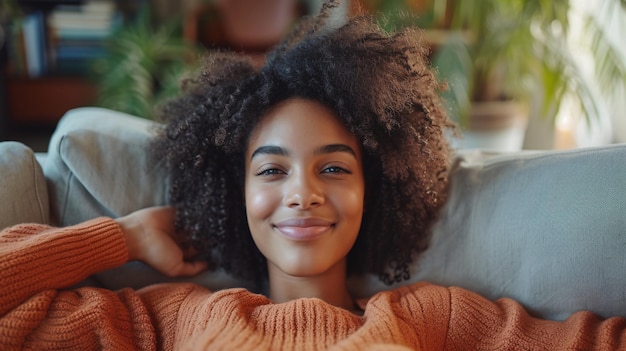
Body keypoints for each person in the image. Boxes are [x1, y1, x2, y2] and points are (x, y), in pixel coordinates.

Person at [1, 1, 625, 349]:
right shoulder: (179, 319)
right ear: (235, 192)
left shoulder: (429, 318)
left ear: (371, 190)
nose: (302, 192)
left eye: (333, 166)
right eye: (271, 170)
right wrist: (125, 238)